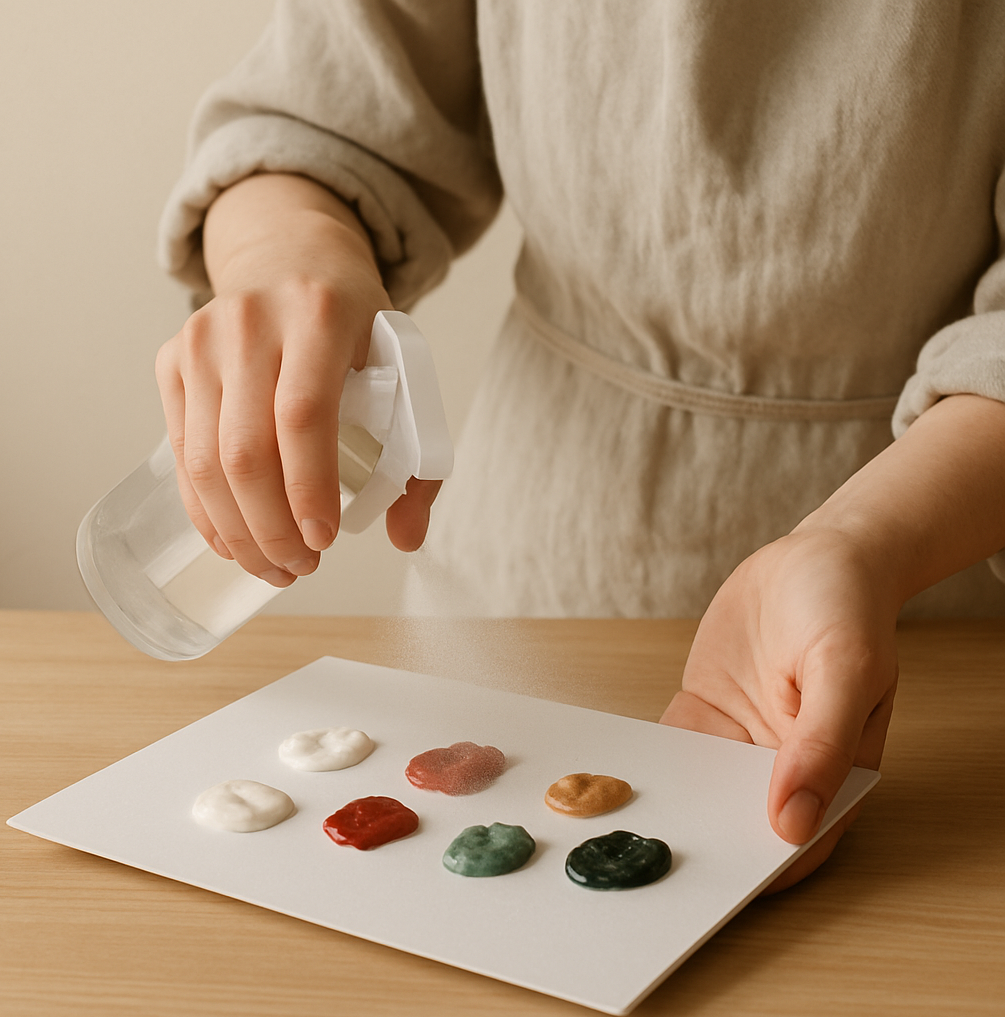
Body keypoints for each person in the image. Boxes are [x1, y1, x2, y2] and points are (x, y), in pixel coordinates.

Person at [155, 1, 1005, 888]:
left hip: (933, 605)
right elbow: (318, 117)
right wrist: (286, 256)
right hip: (526, 571)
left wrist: (863, 542)